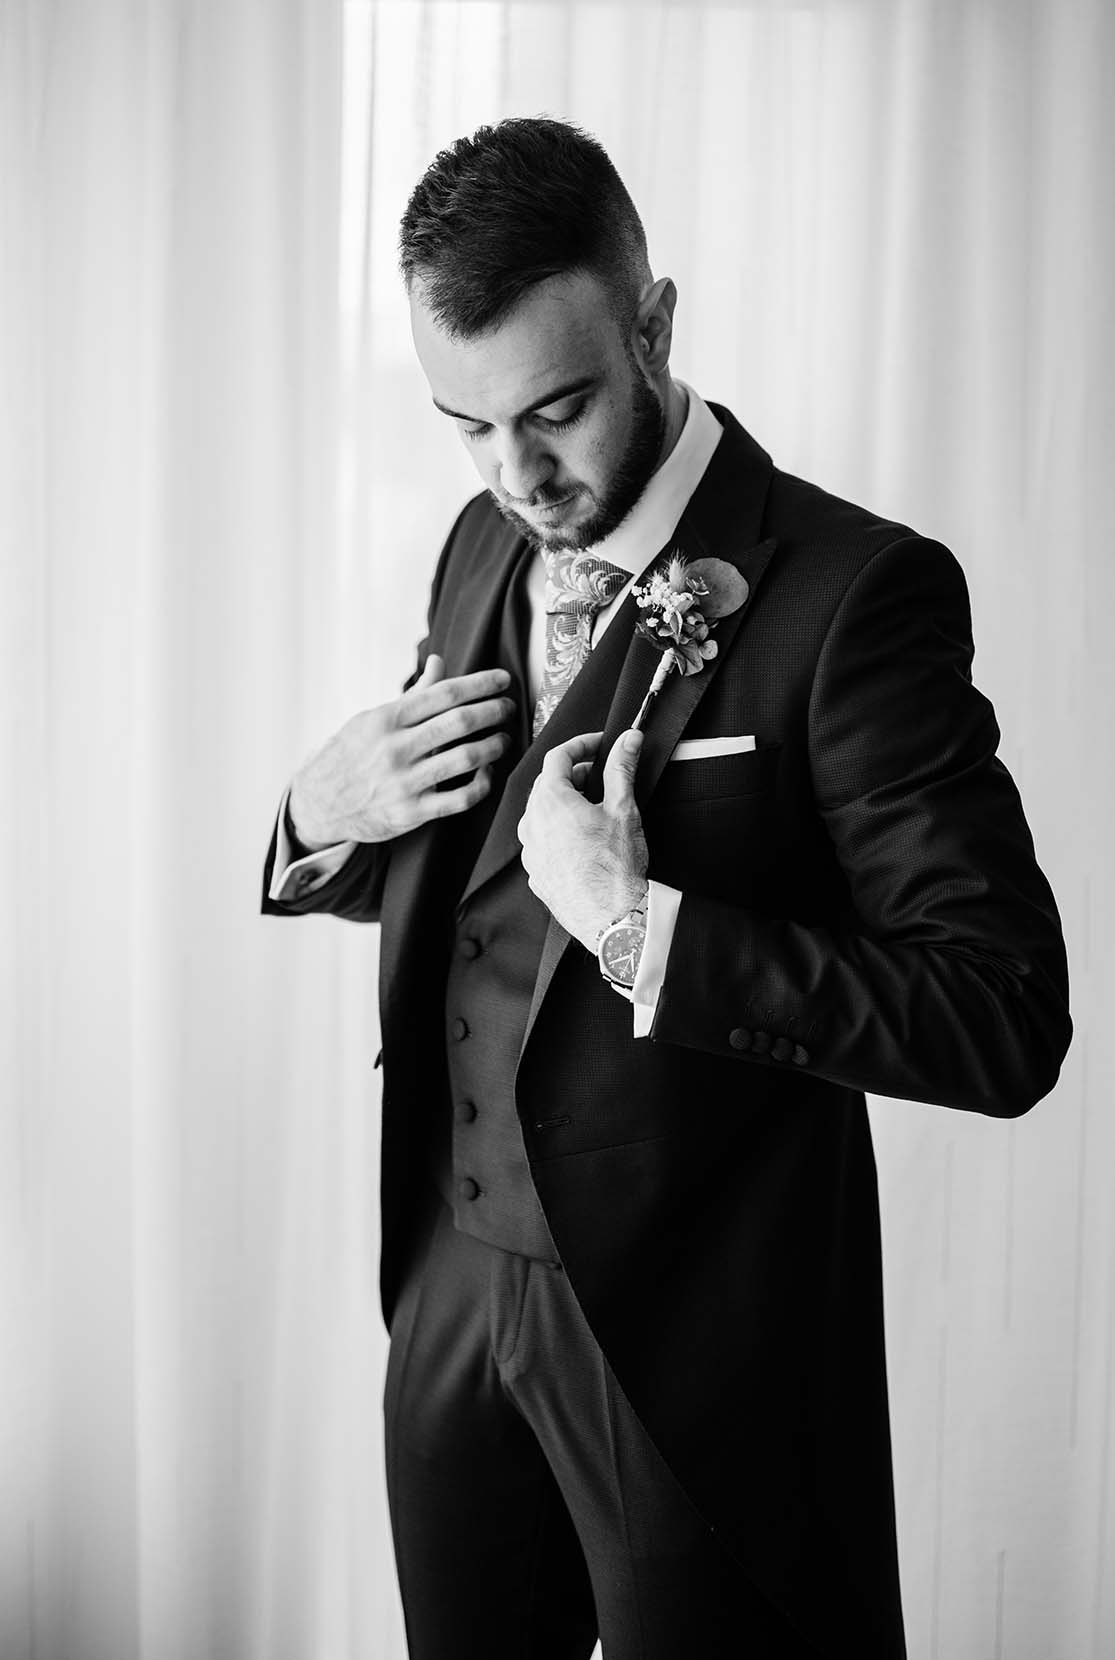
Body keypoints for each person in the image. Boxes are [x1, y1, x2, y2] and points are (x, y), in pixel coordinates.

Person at [261, 117, 1071, 1660]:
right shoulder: (477, 546)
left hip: (703, 1353)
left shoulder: (852, 594)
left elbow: (999, 1017)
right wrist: (320, 817)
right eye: (467, 426)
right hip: (448, 1289)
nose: (517, 477)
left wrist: (642, 928)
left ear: (654, 326)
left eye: (556, 412)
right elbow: (476, 880)